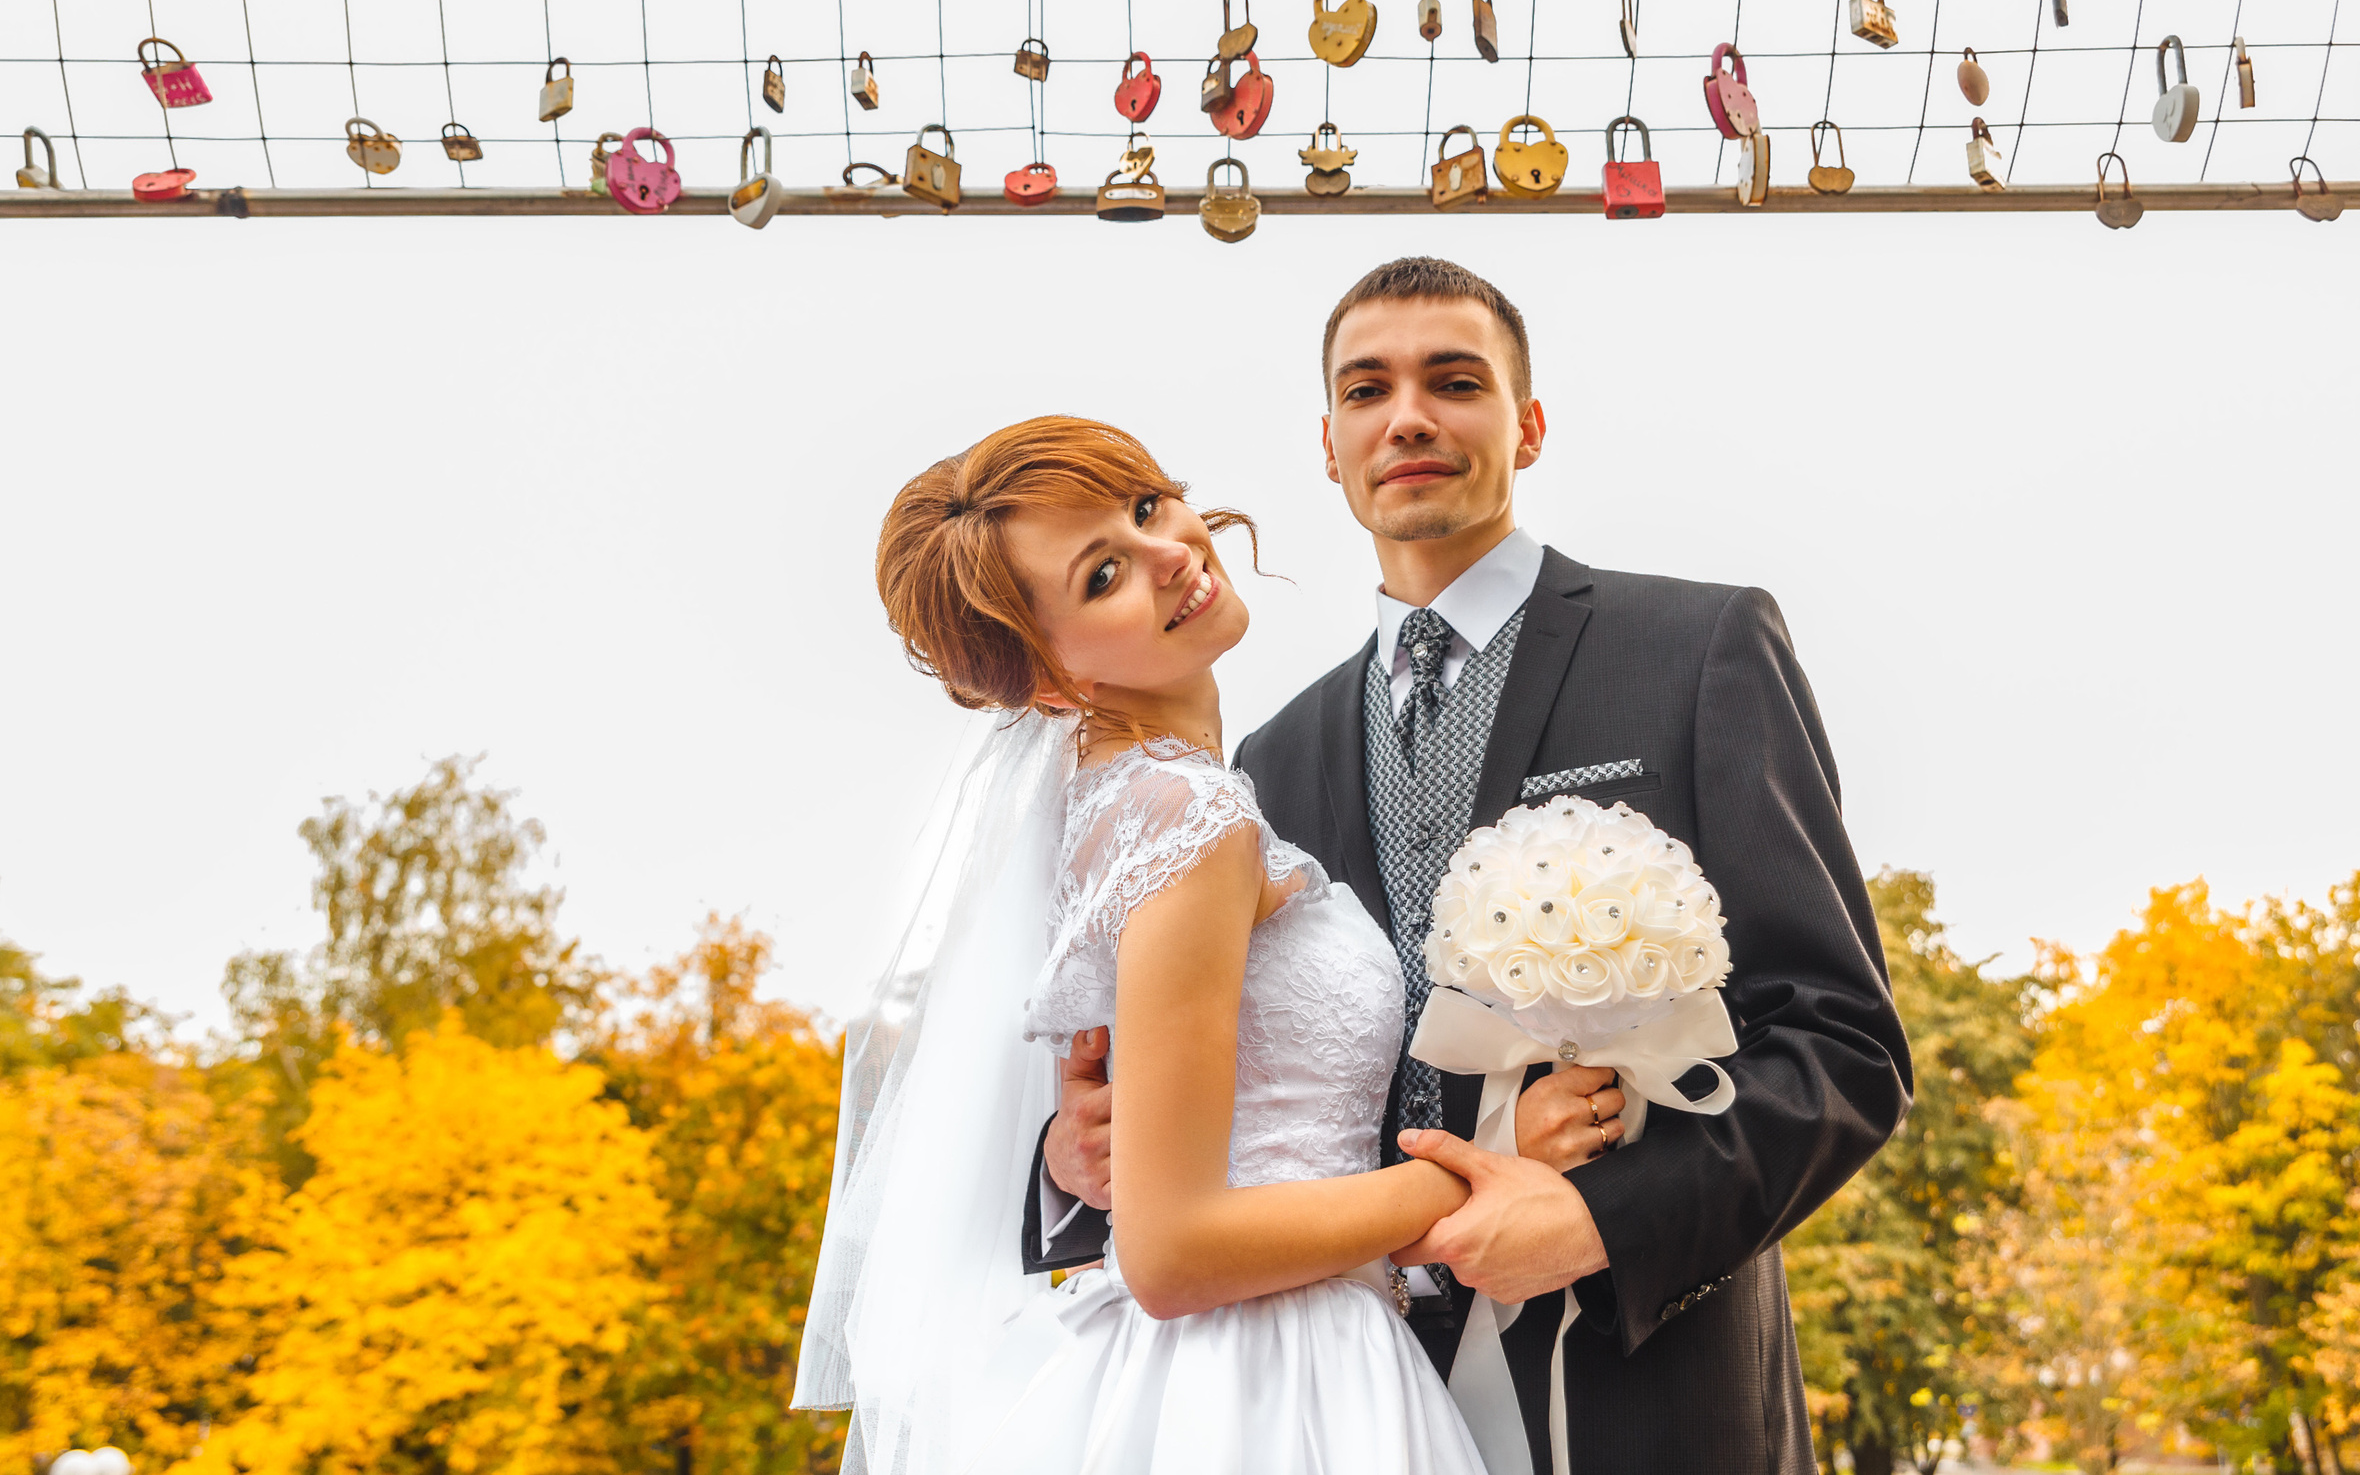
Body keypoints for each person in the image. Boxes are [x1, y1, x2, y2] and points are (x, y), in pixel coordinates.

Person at [1032, 258, 1914, 1475]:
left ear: (1528, 424)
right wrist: (1077, 1159)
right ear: (1328, 445)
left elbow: (1842, 1044)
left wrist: (1602, 1217)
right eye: (1366, 389)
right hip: (1338, 1401)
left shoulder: (1698, 647)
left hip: (1651, 1399)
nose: (1409, 415)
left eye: (1455, 380)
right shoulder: (1266, 761)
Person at [792, 415, 1490, 1475]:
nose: (1172, 550)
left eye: (1147, 504)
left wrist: (1068, 1153)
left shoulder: (1116, 811)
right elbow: (1170, 1252)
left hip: (1230, 1359)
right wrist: (1481, 1177)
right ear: (1048, 678)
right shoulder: (1182, 817)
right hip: (1270, 1381)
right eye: (1105, 571)